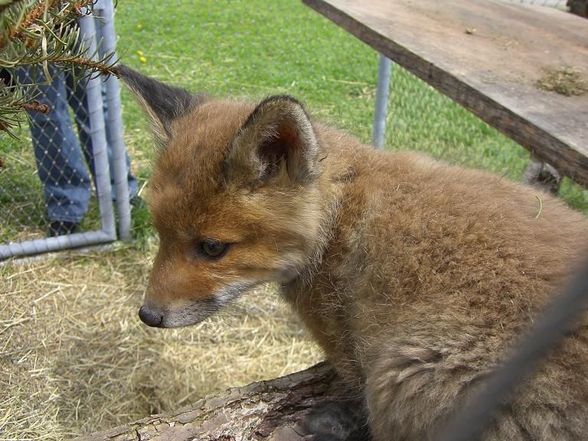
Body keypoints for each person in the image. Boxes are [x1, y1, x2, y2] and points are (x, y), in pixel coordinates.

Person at [16, 65, 138, 236]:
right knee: (46, 111)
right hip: (33, 42)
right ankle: (67, 205)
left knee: (94, 101)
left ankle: (121, 190)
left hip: (83, 39)